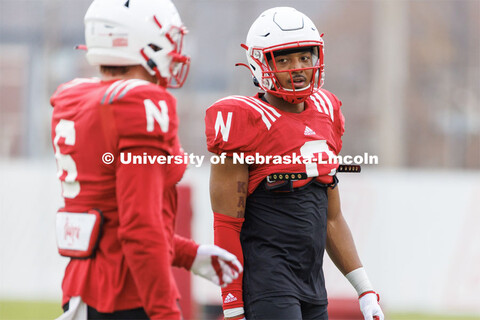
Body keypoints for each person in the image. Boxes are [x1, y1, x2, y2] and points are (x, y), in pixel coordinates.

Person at [51, 0, 241, 319]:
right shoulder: (140, 101)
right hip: (126, 296)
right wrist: (166, 312)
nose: (174, 48)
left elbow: (109, 214)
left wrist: (187, 254)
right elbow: (140, 227)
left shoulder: (74, 96)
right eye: (167, 36)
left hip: (81, 293)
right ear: (143, 39)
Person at [205, 7, 384, 320]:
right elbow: (226, 224)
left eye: (304, 57)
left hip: (312, 282)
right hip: (266, 283)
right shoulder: (244, 121)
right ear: (260, 64)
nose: (297, 68)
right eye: (284, 59)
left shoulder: (327, 112)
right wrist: (232, 306)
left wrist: (365, 290)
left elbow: (332, 218)